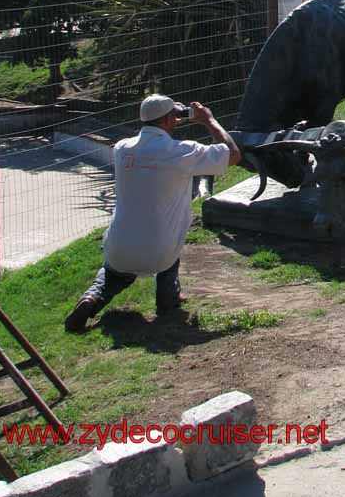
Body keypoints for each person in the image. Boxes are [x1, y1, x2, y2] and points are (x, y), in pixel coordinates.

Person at [64, 95, 240, 332]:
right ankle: (168, 299)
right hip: (161, 252)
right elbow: (233, 154)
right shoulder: (182, 152)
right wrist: (208, 120)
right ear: (170, 118)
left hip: (118, 247)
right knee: (169, 233)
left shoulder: (122, 148)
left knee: (114, 276)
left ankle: (91, 299)